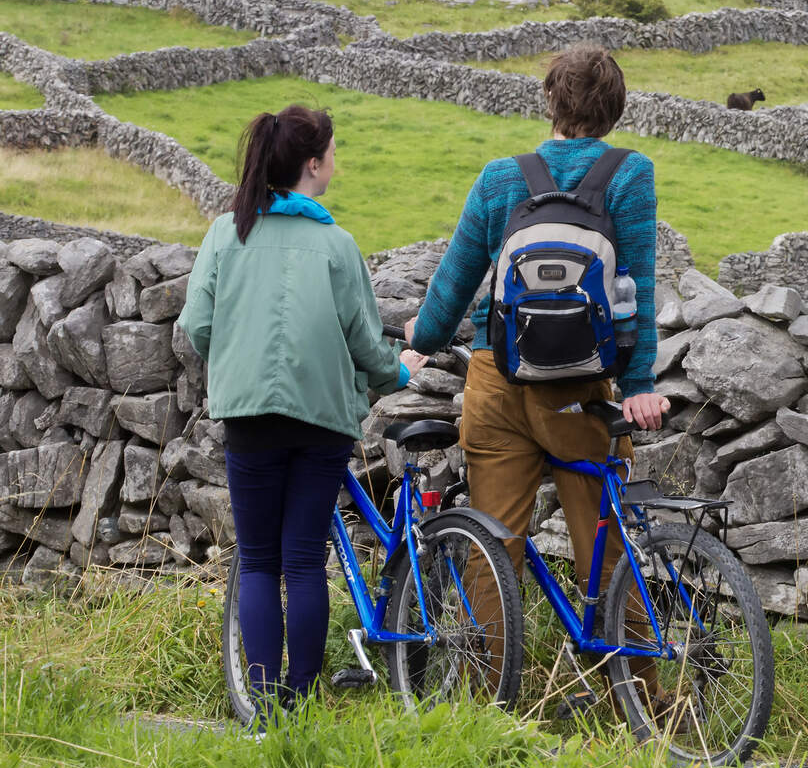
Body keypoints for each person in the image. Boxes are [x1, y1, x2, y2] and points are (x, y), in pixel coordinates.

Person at [406, 44, 669, 702]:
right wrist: (636, 387)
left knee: (492, 549)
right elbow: (638, 280)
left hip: (497, 381)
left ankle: (485, 700)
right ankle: (639, 702)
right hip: (581, 393)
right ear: (614, 110)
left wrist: (420, 344)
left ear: (549, 101)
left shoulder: (502, 177)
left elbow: (457, 278)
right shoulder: (630, 175)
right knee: (602, 547)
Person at [178, 104, 426, 724]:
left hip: (248, 417)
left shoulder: (223, 233)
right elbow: (368, 345)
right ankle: (303, 697)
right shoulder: (337, 246)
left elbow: (197, 326)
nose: (337, 163)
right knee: (303, 559)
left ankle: (262, 710)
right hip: (320, 422)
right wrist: (401, 371)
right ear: (312, 164)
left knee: (258, 558)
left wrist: (234, 360)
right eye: (334, 154)